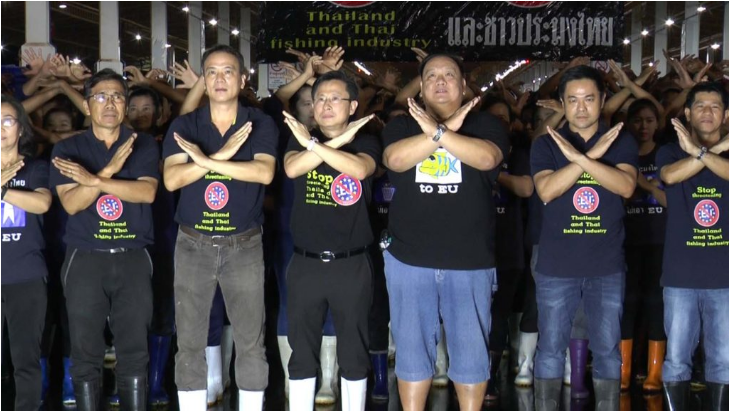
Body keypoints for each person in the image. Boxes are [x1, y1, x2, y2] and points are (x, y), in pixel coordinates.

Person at [382, 53, 509, 411]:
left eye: (449, 75)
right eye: (432, 76)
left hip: (469, 260)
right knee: (411, 351)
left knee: (471, 351)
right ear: (421, 88)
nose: (440, 81)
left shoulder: (487, 124)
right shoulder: (402, 125)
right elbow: (396, 160)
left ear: (464, 85)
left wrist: (438, 132)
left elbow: (487, 159)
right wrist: (443, 131)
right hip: (409, 258)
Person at [162, 44, 277, 410]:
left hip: (244, 245)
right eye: (211, 72)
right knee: (189, 341)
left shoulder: (259, 123)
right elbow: (172, 180)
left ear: (243, 79)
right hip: (192, 244)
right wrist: (223, 156)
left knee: (250, 341)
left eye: (228, 71)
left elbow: (263, 172)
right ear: (204, 80)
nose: (220, 78)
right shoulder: (185, 125)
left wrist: (203, 161)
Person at [49, 68, 159, 410]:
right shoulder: (66, 149)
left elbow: (146, 193)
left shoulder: (142, 144)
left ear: (125, 104)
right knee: (85, 352)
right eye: (100, 97)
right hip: (85, 259)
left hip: (133, 256)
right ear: (86, 105)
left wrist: (93, 180)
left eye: (117, 97)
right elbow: (72, 202)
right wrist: (109, 172)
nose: (109, 103)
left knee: (134, 351)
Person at [530, 65, 638, 410]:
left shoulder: (621, 140)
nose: (581, 107)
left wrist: (579, 158)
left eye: (589, 99)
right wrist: (587, 158)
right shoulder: (546, 144)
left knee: (607, 349)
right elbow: (547, 190)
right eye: (573, 100)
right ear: (562, 103)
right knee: (550, 348)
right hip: (556, 265)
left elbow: (625, 186)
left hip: (606, 264)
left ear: (602, 100)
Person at [282, 70, 379, 411]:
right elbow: (293, 169)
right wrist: (319, 143)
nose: (324, 105)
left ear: (352, 106)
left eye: (334, 98)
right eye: (319, 99)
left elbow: (359, 170)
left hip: (351, 265)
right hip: (305, 263)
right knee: (301, 351)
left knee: (353, 351)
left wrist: (317, 146)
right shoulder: (298, 139)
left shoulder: (366, 141)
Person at [657, 81, 729, 411]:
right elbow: (670, 176)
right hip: (680, 275)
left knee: (724, 360)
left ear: (726, 115)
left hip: (724, 276)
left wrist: (701, 153)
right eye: (700, 106)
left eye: (715, 107)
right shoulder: (670, 150)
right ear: (687, 113)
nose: (707, 112)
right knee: (676, 359)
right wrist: (710, 152)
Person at [1, 95, 52, 411]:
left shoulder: (35, 167)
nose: (1, 128)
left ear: (20, 127)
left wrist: (3, 190)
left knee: (26, 361)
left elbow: (42, 203)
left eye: (7, 121)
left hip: (25, 277)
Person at [621, 99, 667, 393]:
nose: (643, 126)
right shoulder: (622, 154)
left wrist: (646, 184)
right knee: (627, 303)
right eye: (638, 120)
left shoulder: (666, 154)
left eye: (649, 120)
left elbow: (672, 201)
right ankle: (624, 371)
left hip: (659, 241)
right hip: (626, 241)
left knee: (655, 303)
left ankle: (654, 372)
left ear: (657, 123)